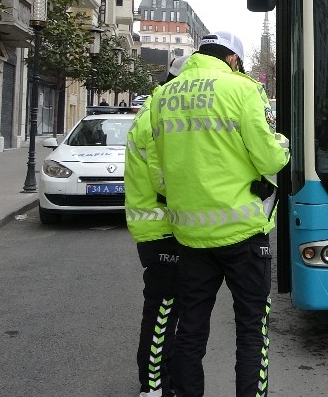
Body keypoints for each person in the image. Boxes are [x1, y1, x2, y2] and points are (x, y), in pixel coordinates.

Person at [147, 31, 290, 397]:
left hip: (190, 235)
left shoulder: (163, 97)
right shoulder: (240, 90)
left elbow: (158, 170)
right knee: (251, 329)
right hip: (242, 233)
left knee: (190, 330)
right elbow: (270, 158)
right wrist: (283, 145)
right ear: (232, 59)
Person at [125, 53, 191, 397]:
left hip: (160, 227)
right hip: (162, 230)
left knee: (168, 310)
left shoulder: (156, 108)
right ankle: (152, 386)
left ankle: (162, 382)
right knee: (163, 312)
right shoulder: (158, 113)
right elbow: (162, 177)